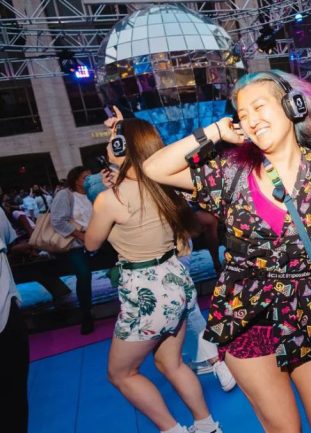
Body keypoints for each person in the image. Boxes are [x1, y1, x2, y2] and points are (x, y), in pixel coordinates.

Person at [143, 70, 311, 432]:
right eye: (242, 113)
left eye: (258, 106)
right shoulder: (231, 173)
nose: (250, 119)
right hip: (243, 317)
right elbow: (154, 168)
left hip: (305, 313)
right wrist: (215, 131)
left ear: (292, 106)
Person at [84, 114, 223, 433]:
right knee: (170, 363)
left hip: (146, 294)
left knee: (121, 374)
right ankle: (207, 426)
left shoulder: (109, 200)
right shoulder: (165, 187)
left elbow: (92, 243)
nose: (107, 145)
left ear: (122, 147)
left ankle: (173, 430)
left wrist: (102, 200)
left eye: (112, 142)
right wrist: (124, 128)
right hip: (175, 281)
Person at [50, 166, 95, 334]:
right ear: (75, 180)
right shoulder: (65, 195)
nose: (89, 181)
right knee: (83, 274)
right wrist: (80, 235)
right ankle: (86, 315)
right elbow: (57, 221)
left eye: (91, 177)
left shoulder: (93, 194)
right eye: (85, 178)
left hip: (98, 239)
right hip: (76, 243)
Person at [0, 210, 29, 433]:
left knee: (13, 395)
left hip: (6, 312)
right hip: (5, 315)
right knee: (12, 396)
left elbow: (10, 243)